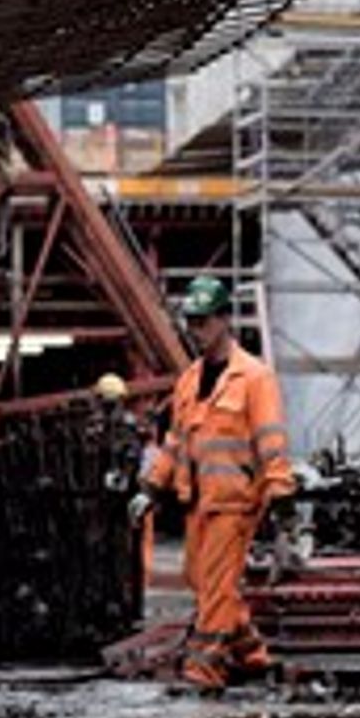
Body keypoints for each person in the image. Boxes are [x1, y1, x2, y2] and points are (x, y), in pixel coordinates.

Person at [139, 277, 293, 694]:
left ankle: (203, 672)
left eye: (203, 322)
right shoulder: (189, 379)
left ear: (226, 320)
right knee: (200, 580)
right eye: (191, 322)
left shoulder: (254, 378)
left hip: (236, 502)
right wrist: (152, 488)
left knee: (217, 591)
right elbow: (175, 441)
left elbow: (270, 436)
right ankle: (254, 658)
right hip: (198, 500)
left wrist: (280, 489)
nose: (196, 330)